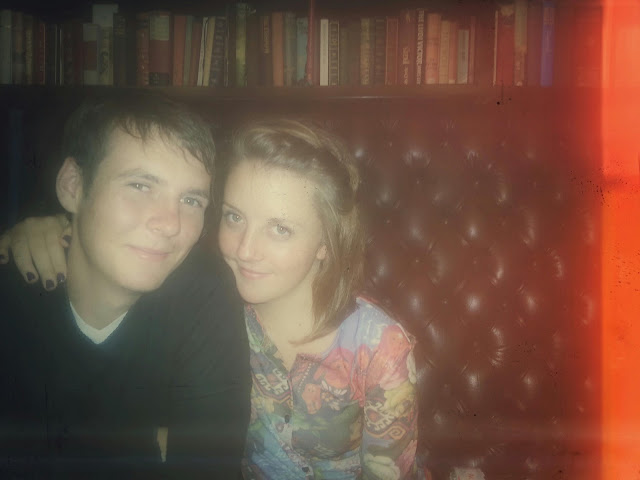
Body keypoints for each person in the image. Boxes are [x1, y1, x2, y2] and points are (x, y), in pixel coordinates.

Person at [2, 119, 421, 479]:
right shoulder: (206, 310)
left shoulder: (378, 347)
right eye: (234, 217)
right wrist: (55, 225)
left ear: (326, 243)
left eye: (280, 229)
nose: (244, 249)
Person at [0, 91, 251, 479]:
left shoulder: (207, 297)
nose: (170, 223)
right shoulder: (12, 297)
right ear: (72, 186)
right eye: (140, 185)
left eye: (191, 200)